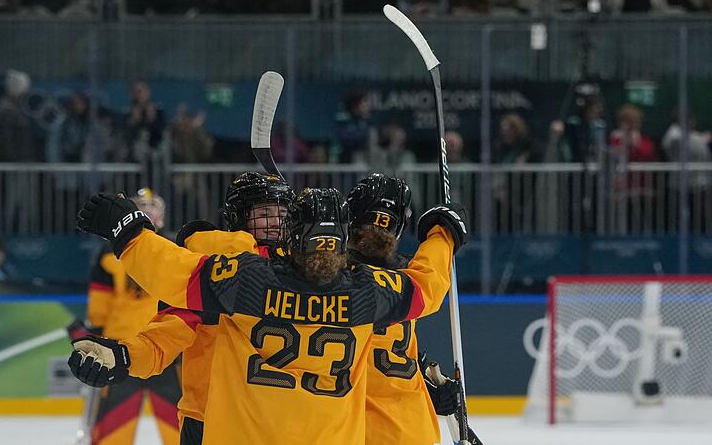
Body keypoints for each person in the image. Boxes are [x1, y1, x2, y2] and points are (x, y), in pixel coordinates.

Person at [69, 187, 468, 445]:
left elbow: (173, 273)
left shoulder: (247, 280)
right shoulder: (367, 289)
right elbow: (426, 287)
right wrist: (442, 235)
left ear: (293, 235)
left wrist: (132, 232)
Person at [111, 172, 294, 445]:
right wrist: (123, 355)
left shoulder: (303, 273)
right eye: (265, 213)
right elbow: (168, 333)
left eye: (283, 214)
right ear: (239, 217)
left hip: (278, 422)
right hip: (211, 419)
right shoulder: (213, 274)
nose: (276, 223)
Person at [347, 173, 477, 444]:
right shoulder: (405, 277)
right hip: (409, 430)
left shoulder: (328, 282)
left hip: (356, 430)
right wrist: (443, 235)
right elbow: (426, 283)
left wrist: (424, 382)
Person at [70, 188, 182, 445]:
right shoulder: (112, 255)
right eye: (143, 206)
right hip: (121, 348)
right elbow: (101, 302)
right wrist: (96, 332)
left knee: (179, 423)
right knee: (113, 427)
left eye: (152, 206)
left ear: (161, 216)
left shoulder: (174, 250)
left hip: (167, 349)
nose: (148, 211)